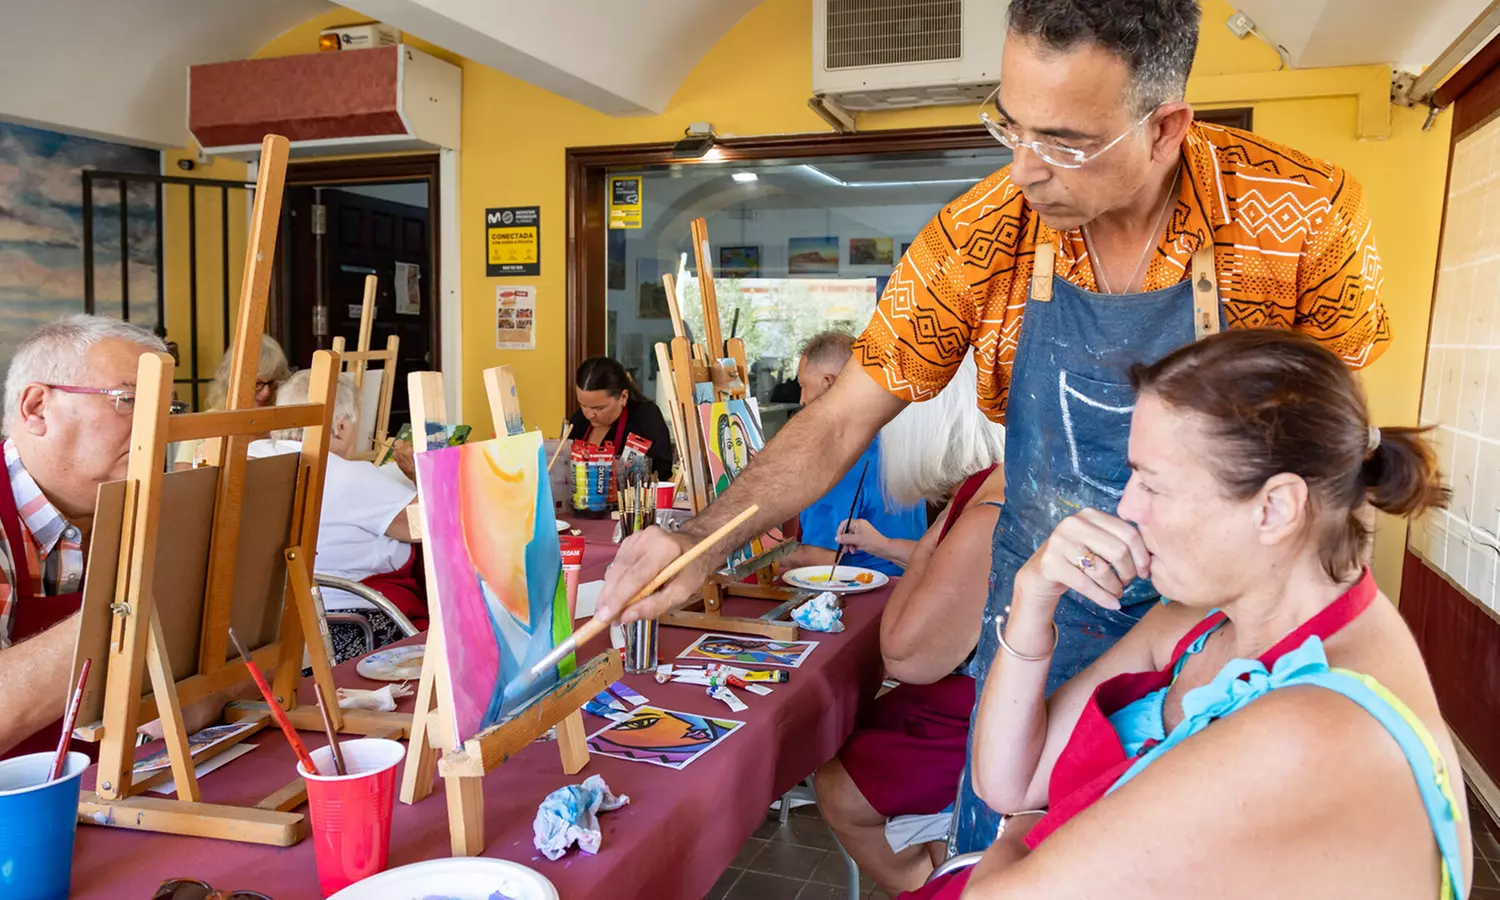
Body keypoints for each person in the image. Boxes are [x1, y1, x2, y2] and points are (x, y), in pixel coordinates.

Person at [594, 0, 1392, 854]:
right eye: (1010, 126)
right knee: (1005, 846)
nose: (1025, 170)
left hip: (1223, 635)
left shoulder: (1303, 216)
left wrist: (1320, 649)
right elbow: (841, 419)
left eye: (1066, 142)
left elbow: (1330, 459)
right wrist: (703, 538)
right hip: (1037, 619)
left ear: (1165, 129)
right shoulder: (981, 235)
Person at [907, 328, 1468, 899]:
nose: (1127, 506)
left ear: (1275, 508)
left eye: (1153, 485)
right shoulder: (1202, 621)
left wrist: (1023, 835)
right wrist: (1031, 599)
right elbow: (1010, 782)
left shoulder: (1312, 729)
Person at [813, 351, 1006, 893]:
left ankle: (927, 888)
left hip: (983, 712)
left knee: (840, 785)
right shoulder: (990, 481)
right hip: (987, 694)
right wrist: (906, 549)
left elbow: (903, 654)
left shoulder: (989, 504)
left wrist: (923, 554)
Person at [0, 315, 169, 756]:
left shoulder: (139, 503)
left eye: (165, 408)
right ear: (37, 408)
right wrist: (135, 608)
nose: (158, 428)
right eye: (128, 400)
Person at [248, 370, 423, 662]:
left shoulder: (249, 457)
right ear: (340, 427)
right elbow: (425, 525)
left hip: (261, 633)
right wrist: (419, 474)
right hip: (343, 626)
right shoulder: (345, 474)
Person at [779, 332, 926, 577]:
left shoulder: (839, 454)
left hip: (864, 587)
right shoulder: (891, 436)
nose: (802, 400)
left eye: (803, 386)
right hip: (909, 579)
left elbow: (820, 558)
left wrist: (754, 555)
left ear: (829, 382)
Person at [173, 334, 293, 469]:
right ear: (232, 381)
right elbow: (183, 477)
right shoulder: (203, 425)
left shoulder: (287, 426)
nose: (266, 392)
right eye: (257, 383)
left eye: (272, 383)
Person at [569, 356, 673, 481]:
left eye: (599, 408)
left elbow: (662, 471)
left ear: (623, 397)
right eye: (583, 405)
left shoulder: (645, 417)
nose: (589, 415)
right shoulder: (579, 420)